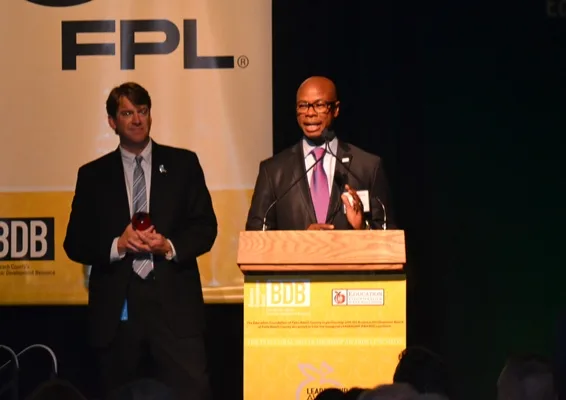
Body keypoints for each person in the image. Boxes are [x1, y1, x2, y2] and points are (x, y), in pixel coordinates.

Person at [63, 82, 217, 400]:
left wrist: (168, 246)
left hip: (174, 306)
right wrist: (118, 245)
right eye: (127, 113)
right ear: (112, 121)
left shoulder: (184, 164)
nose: (136, 120)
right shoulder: (93, 175)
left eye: (142, 111)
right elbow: (75, 242)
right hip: (118, 310)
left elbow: (205, 227)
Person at [245, 76, 394, 231]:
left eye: (319, 105)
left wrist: (363, 227)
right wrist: (302, 241)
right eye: (303, 106)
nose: (310, 113)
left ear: (336, 109)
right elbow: (256, 235)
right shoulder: (273, 171)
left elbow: (387, 235)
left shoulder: (367, 167)